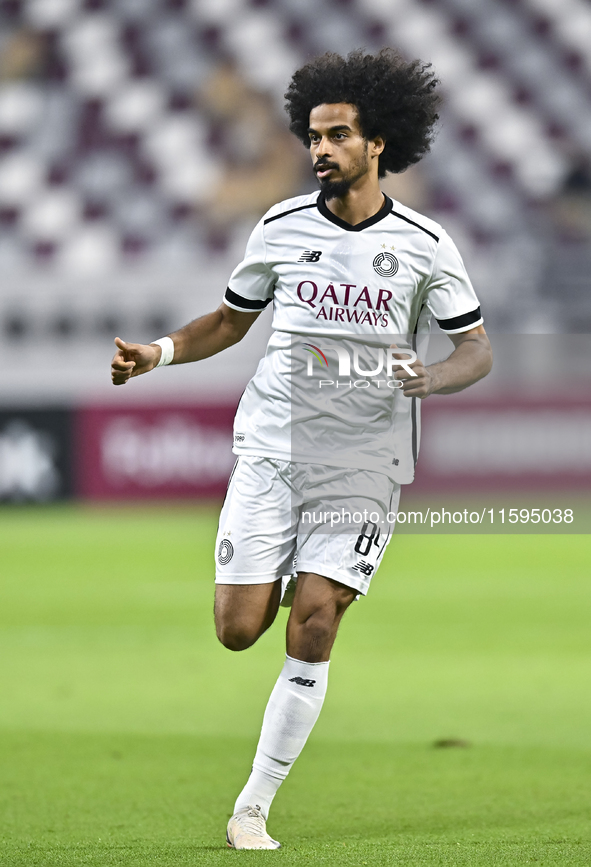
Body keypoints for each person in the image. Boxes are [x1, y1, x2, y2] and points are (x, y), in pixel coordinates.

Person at [111, 49, 493, 850]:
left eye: (337, 136)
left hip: (363, 460)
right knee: (238, 628)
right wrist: (157, 352)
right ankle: (296, 573)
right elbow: (227, 320)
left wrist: (429, 377)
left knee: (314, 621)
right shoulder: (281, 226)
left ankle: (251, 805)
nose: (319, 150)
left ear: (377, 143)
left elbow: (476, 351)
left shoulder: (425, 244)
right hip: (274, 449)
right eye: (313, 136)